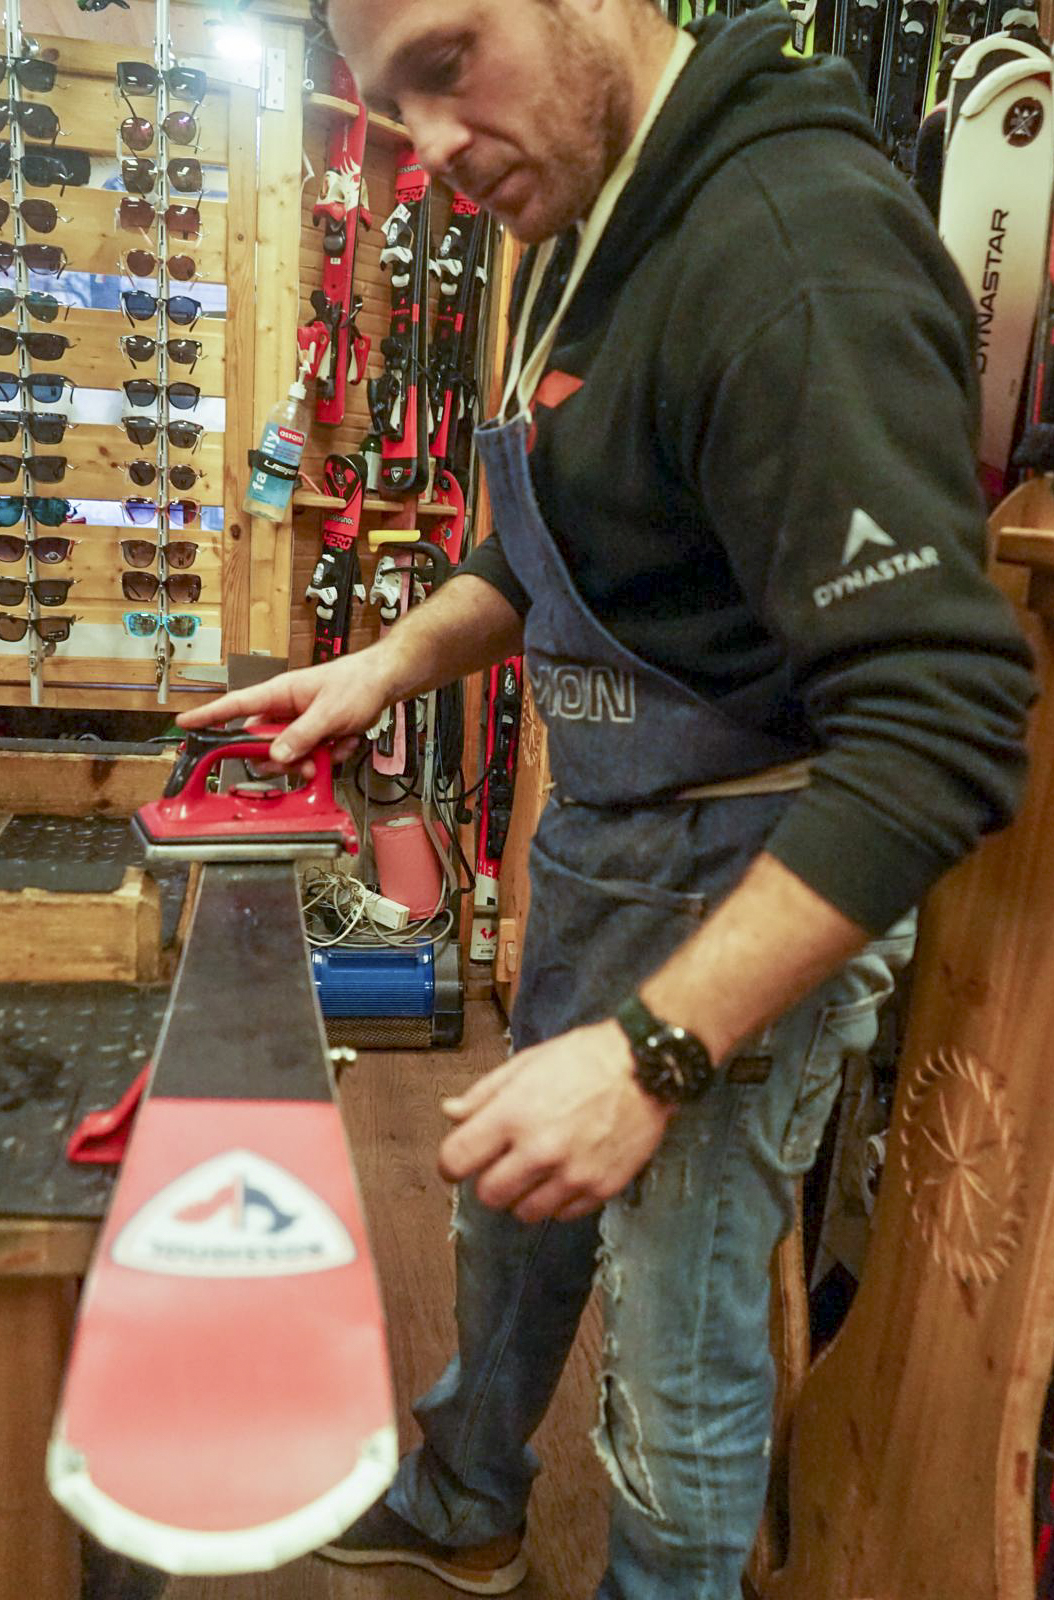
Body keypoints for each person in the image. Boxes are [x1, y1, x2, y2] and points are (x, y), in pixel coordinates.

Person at [179, 0, 1035, 1594]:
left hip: (741, 878)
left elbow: (944, 726)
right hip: (613, 842)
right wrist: (383, 668)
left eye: (449, 64)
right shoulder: (596, 215)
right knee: (514, 1216)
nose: (427, 147)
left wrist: (651, 1054)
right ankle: (467, 1503)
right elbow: (550, 537)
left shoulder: (788, 255)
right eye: (391, 101)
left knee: (673, 1358)